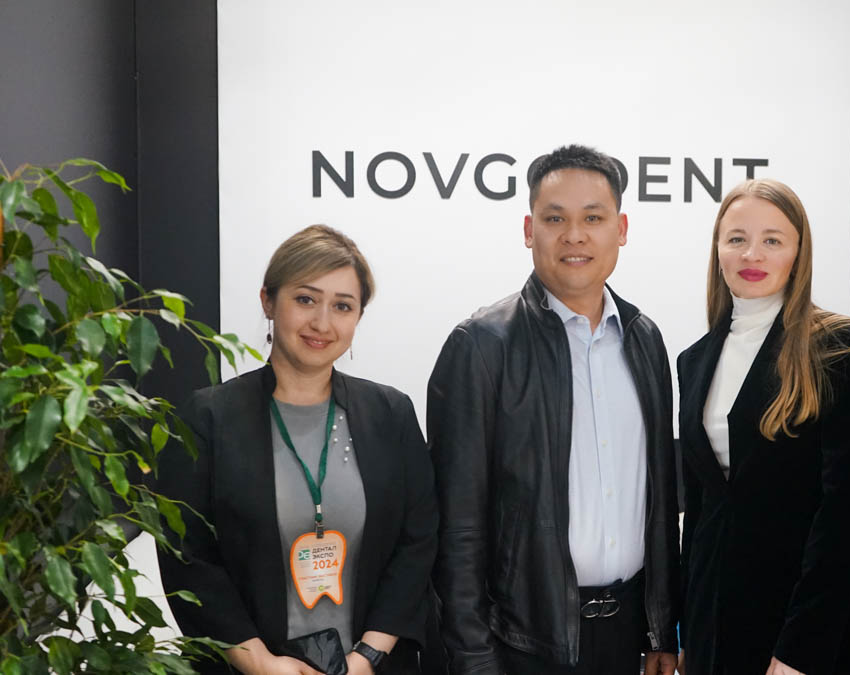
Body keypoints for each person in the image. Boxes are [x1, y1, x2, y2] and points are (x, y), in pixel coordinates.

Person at [427, 145, 679, 675]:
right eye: (555, 218)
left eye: (594, 218)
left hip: (627, 637)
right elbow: (457, 528)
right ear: (529, 229)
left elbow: (658, 499)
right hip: (521, 643)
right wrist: (474, 659)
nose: (574, 235)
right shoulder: (481, 346)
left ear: (621, 229)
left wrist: (661, 628)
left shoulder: (644, 339)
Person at [156, 225, 438, 675]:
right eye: (306, 299)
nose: (322, 323)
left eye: (342, 306)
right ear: (268, 301)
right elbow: (188, 557)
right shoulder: (208, 418)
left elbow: (417, 543)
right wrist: (260, 663)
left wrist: (368, 656)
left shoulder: (390, 414)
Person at [676, 179, 850, 675]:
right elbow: (702, 508)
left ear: (799, 253)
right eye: (737, 238)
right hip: (713, 624)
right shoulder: (694, 360)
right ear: (718, 250)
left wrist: (801, 647)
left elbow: (849, 516)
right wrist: (690, 629)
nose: (752, 253)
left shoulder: (846, 349)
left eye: (772, 240)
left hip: (797, 627)